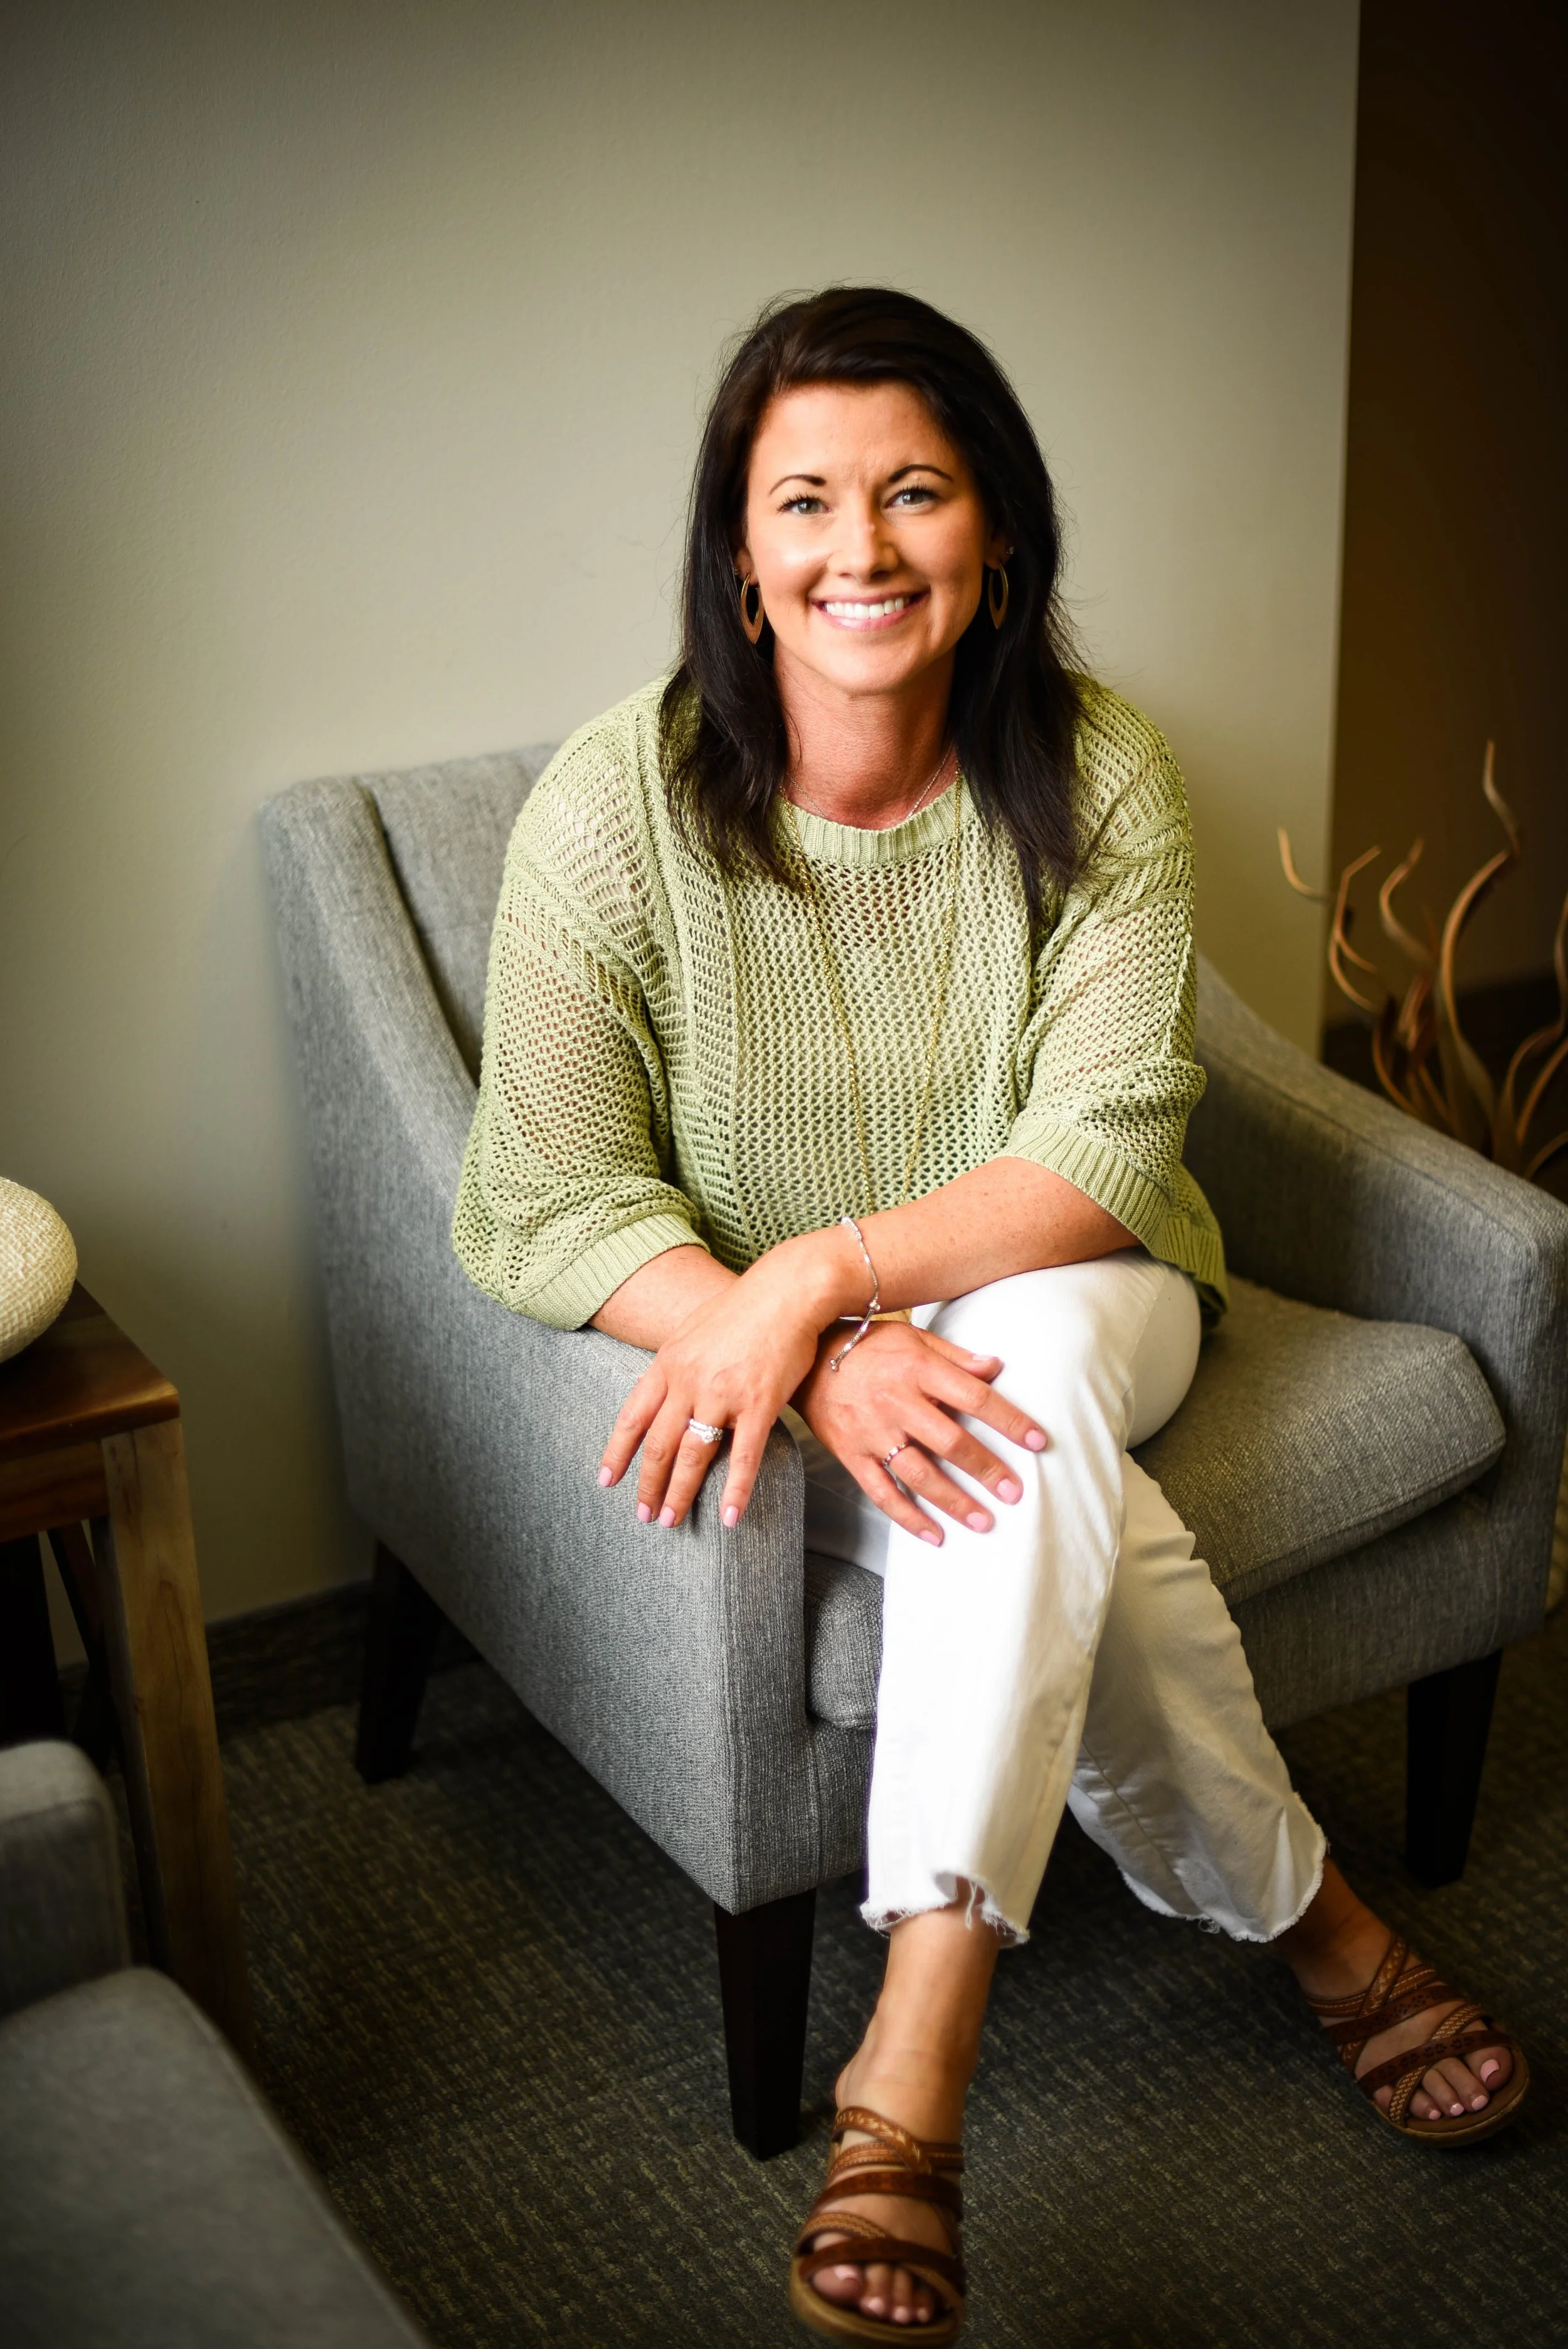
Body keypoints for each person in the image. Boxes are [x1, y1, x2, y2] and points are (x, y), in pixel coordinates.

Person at [452, 288, 1527, 2343]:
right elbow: (549, 1193)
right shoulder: (615, 809)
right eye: (807, 503)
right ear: (741, 561)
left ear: (998, 543)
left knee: (1026, 1357)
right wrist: (813, 1343)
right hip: (834, 1373)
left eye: (915, 493)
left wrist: (821, 1280)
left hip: (1098, 1285)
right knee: (1039, 1496)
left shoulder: (1098, 772)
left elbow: (1108, 1144)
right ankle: (1323, 1928)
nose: (861, 548)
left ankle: (914, 2034)